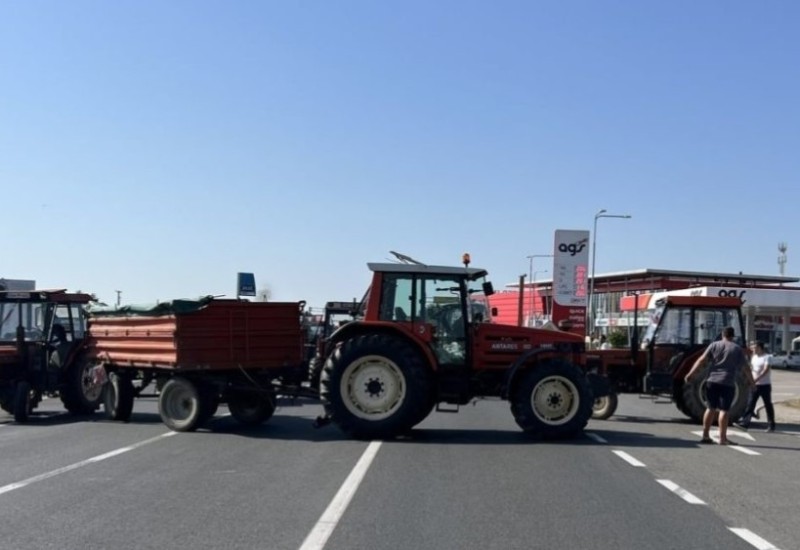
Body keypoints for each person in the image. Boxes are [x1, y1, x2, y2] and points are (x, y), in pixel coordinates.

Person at [684, 326, 755, 445]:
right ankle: (722, 439)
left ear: (723, 334)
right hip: (727, 382)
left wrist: (691, 373)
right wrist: (752, 383)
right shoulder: (737, 349)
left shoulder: (714, 345)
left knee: (710, 408)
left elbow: (702, 360)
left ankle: (705, 435)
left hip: (711, 381)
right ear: (733, 336)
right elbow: (746, 368)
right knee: (724, 410)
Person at [736, 341, 776, 432]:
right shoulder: (754, 357)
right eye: (752, 347)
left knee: (768, 404)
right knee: (750, 404)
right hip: (754, 385)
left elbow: (765, 370)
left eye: (755, 347)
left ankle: (771, 424)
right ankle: (745, 423)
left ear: (760, 348)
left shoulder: (767, 357)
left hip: (765, 385)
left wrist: (755, 380)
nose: (753, 349)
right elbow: (752, 369)